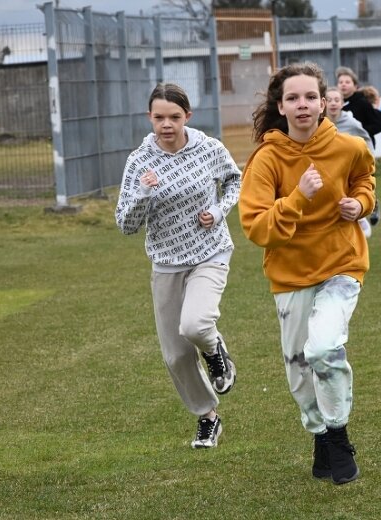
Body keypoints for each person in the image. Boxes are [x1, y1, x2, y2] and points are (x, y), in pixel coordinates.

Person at [240, 62, 375, 485]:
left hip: (342, 265)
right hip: (290, 274)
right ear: (280, 106)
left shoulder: (349, 147)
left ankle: (337, 434)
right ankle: (319, 433)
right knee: (299, 368)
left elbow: (364, 179)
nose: (303, 105)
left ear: (324, 102)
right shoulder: (266, 160)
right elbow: (258, 228)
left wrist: (361, 204)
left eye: (311, 97)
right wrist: (299, 197)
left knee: (324, 349)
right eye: (293, 98)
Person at [115, 83, 240, 449]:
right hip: (166, 261)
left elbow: (234, 181)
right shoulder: (139, 162)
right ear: (149, 118)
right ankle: (208, 417)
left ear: (188, 116)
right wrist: (142, 193)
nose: (166, 125)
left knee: (196, 325)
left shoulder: (209, 148)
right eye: (159, 118)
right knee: (175, 354)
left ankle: (216, 354)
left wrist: (217, 211)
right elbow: (125, 224)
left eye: (174, 117)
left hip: (210, 251)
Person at [325, 86, 374, 238]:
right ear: (323, 103)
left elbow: (366, 140)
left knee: (346, 197)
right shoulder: (318, 123)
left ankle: (360, 216)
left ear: (342, 103)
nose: (333, 103)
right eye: (329, 100)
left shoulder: (351, 123)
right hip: (326, 169)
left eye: (336, 100)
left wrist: (369, 160)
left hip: (348, 170)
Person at [335, 66, 381, 146]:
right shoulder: (334, 104)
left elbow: (377, 126)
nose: (343, 85)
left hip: (362, 146)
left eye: (347, 82)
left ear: (355, 86)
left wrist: (358, 132)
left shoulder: (363, 103)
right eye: (340, 82)